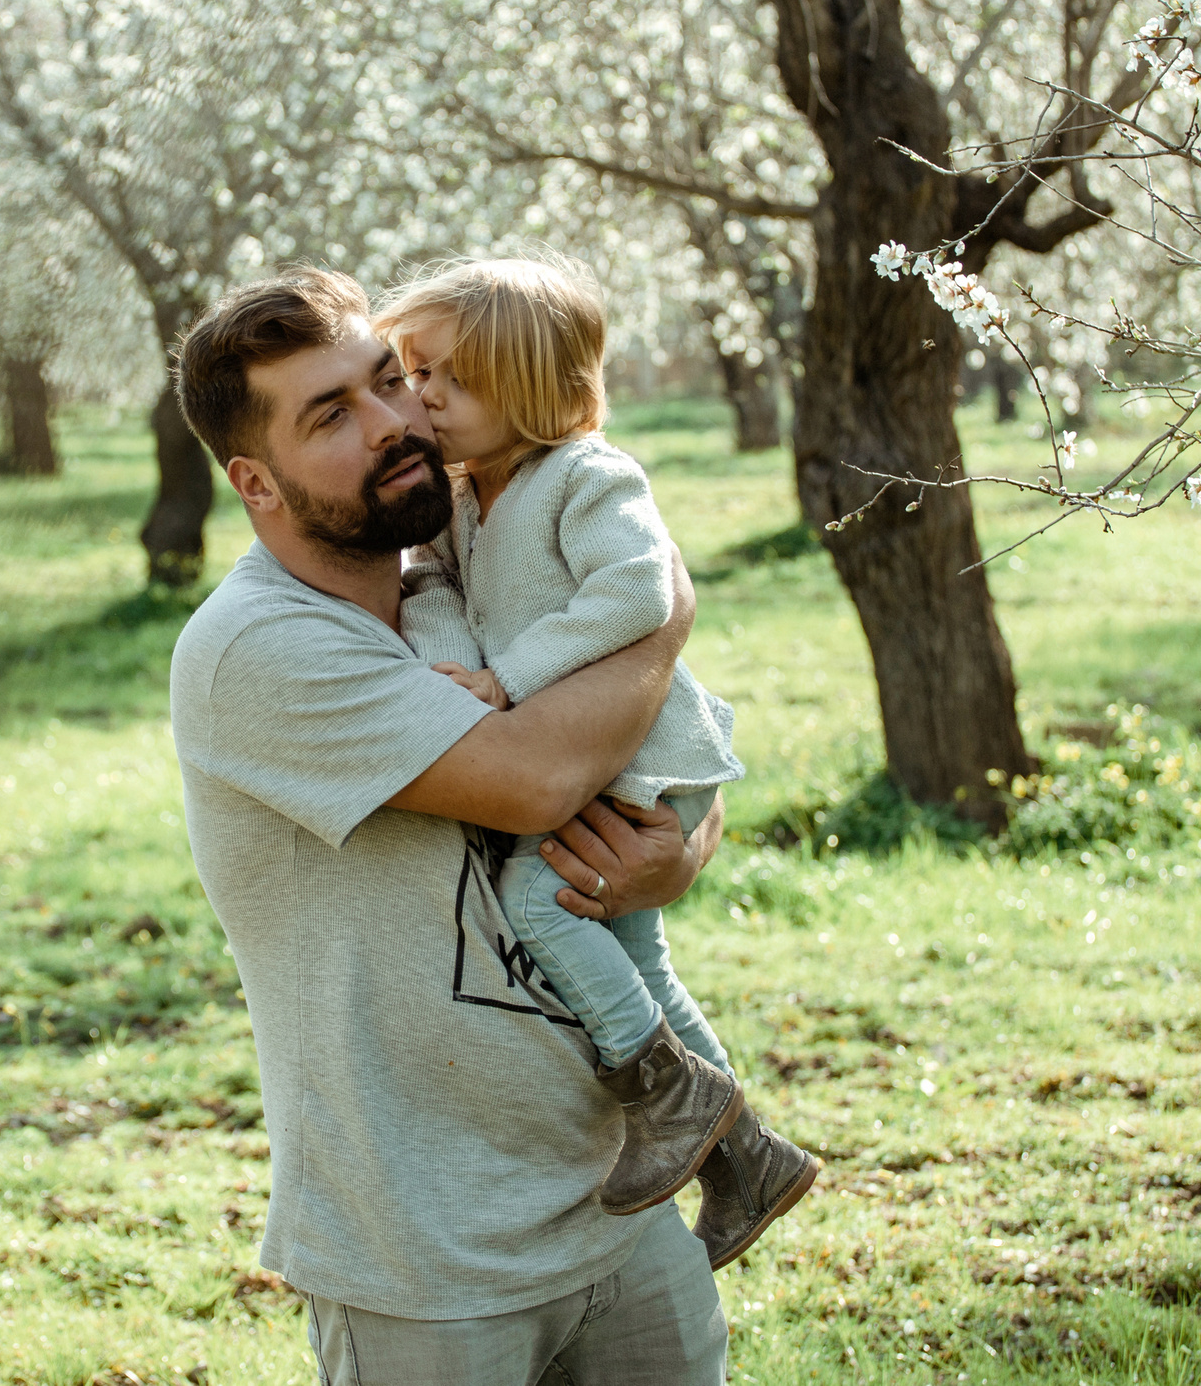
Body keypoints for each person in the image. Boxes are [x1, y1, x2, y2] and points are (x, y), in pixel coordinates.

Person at [168, 268, 731, 1385]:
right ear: (255, 481)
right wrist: (665, 604)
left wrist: (672, 860)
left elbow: (646, 768)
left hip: (614, 1200)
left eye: (390, 380)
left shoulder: (460, 583)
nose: (393, 423)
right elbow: (535, 781)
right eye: (331, 415)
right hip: (429, 1257)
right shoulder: (259, 648)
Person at [377, 256, 816, 1266]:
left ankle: (665, 1091)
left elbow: (633, 596)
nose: (422, 395)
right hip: (589, 750)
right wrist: (452, 659)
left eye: (448, 376)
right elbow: (434, 581)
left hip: (643, 749)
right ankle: (749, 1159)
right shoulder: (459, 495)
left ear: (529, 388)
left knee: (545, 903)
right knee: (638, 955)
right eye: (415, 371)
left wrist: (508, 679)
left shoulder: (588, 476)